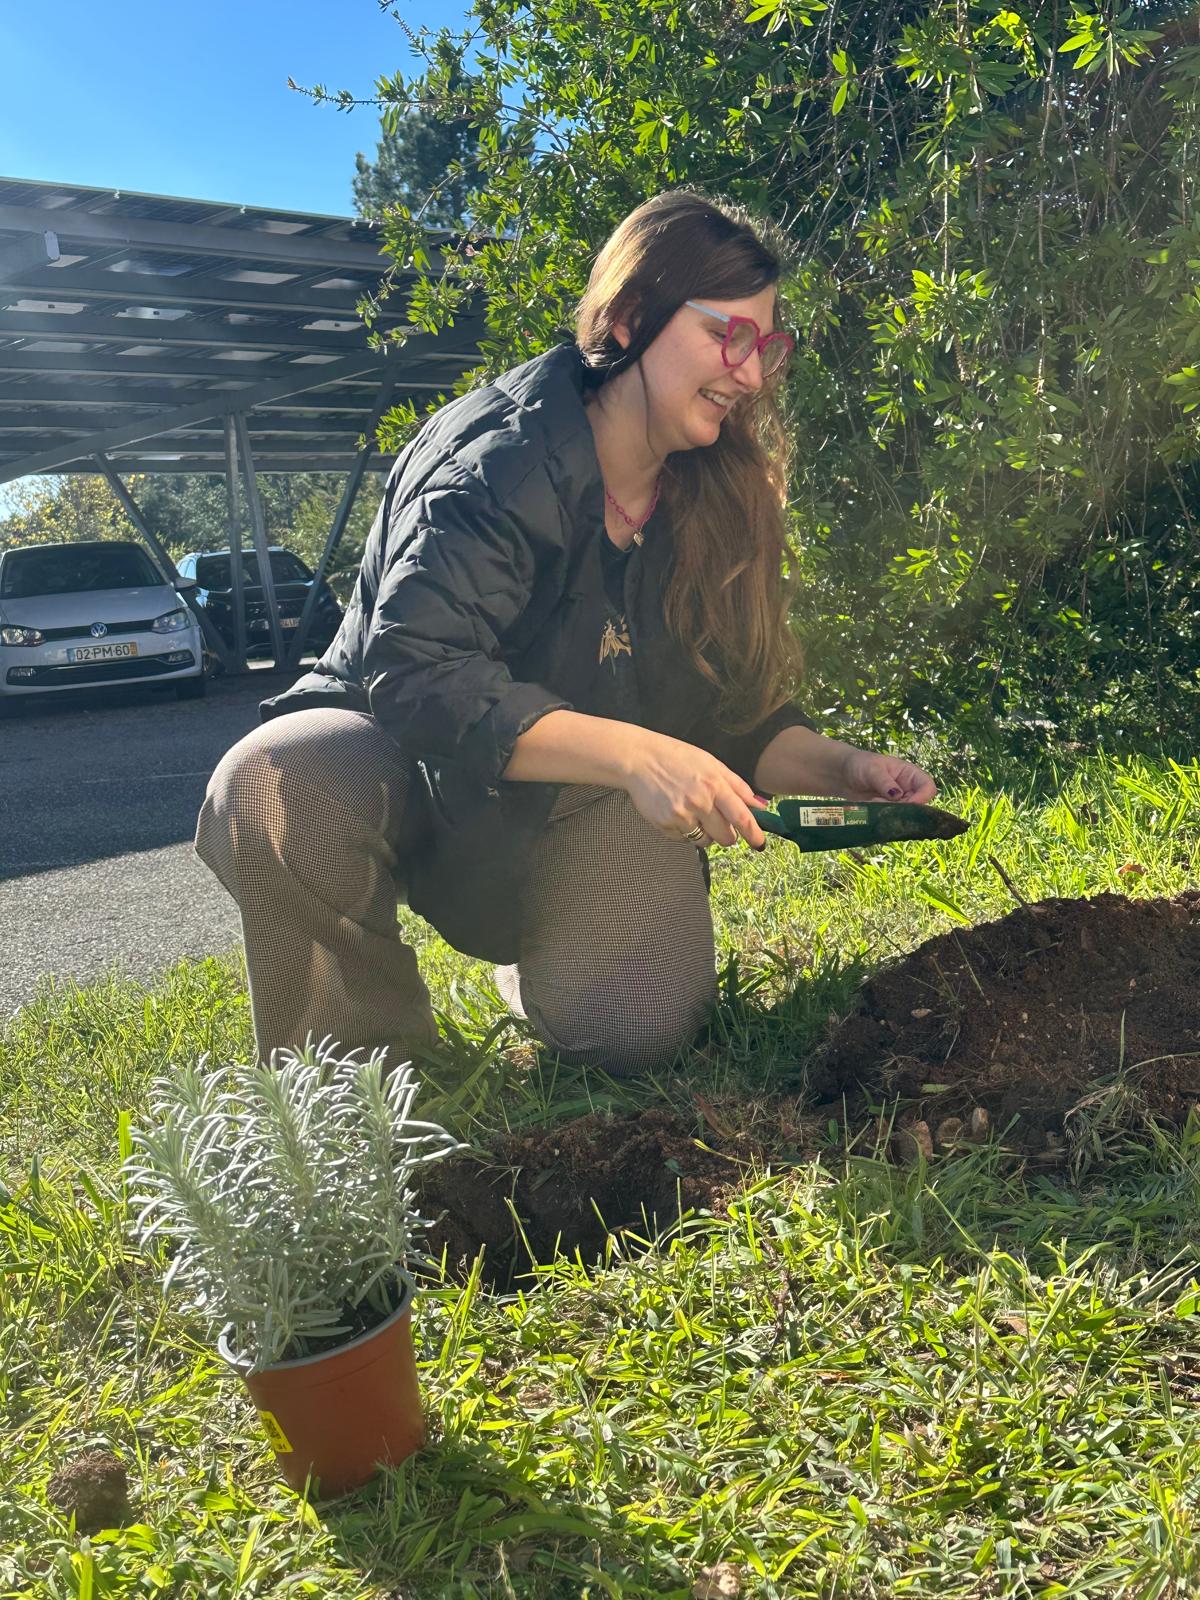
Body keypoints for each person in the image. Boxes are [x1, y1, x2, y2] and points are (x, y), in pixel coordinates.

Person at [196, 190, 936, 1078]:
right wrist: (636, 755)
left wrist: (843, 770)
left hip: (573, 792)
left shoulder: (712, 494)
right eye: (726, 336)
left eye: (765, 347)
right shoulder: (492, 462)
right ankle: (362, 1077)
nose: (750, 375)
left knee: (639, 1028)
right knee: (277, 779)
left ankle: (539, 966)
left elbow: (733, 714)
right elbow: (417, 675)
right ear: (629, 320)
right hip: (400, 763)